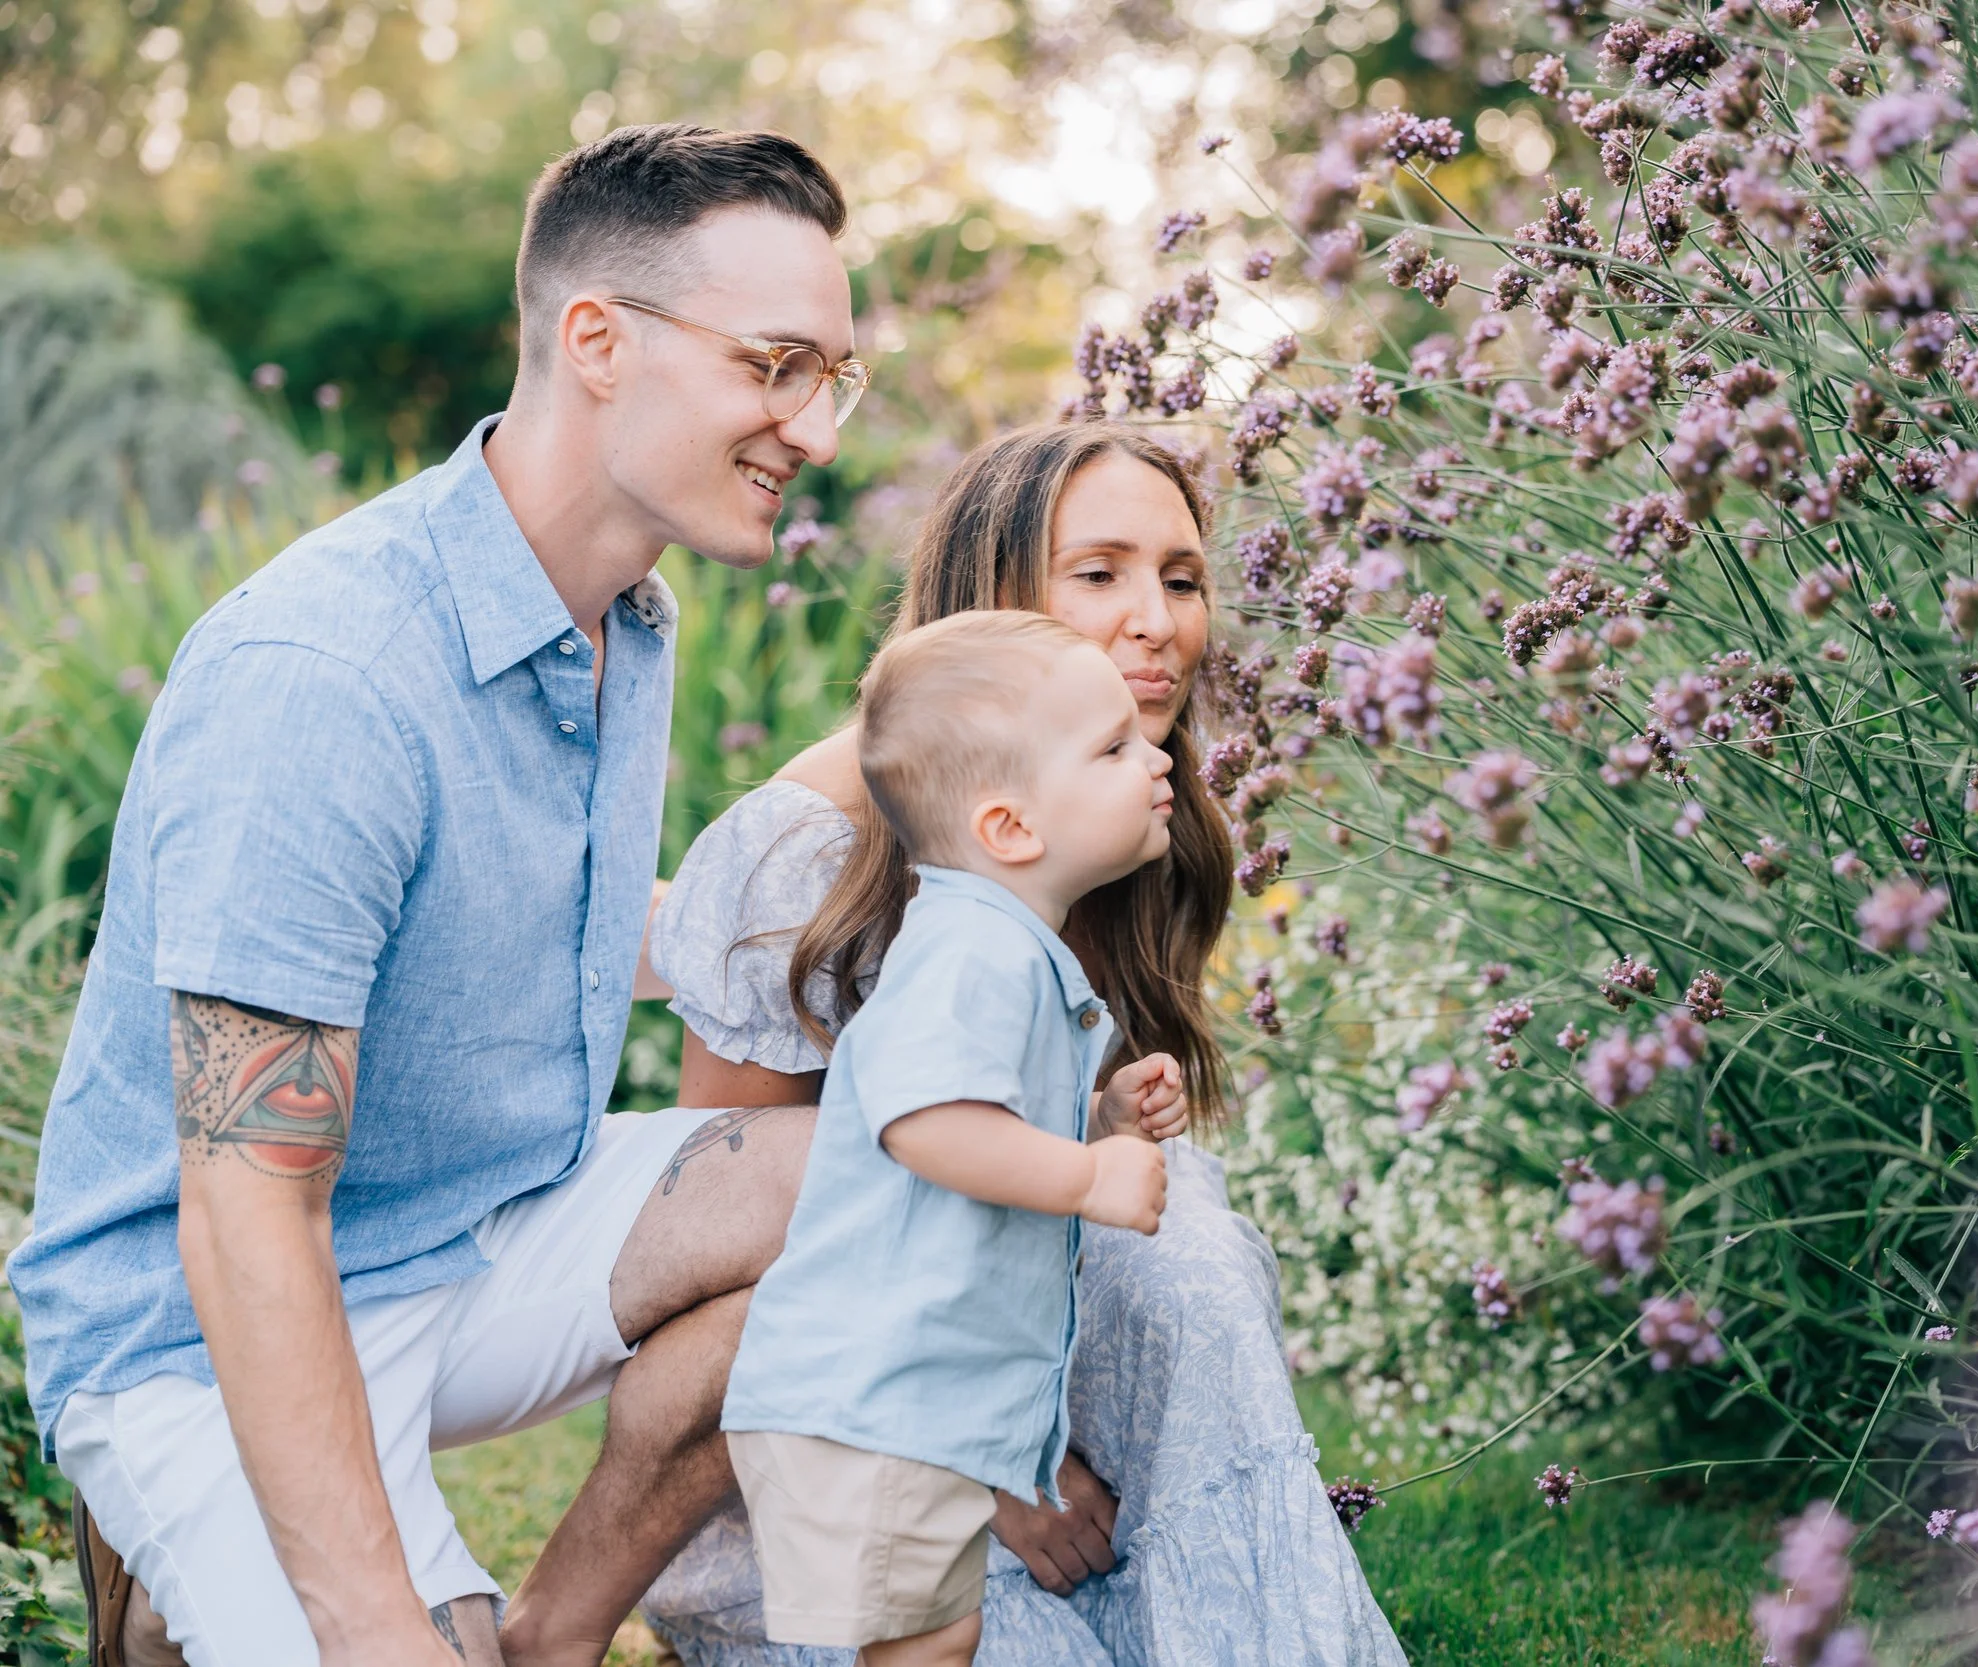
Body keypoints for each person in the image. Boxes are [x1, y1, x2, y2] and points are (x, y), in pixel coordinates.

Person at [7, 123, 863, 1667]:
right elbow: (246, 1208)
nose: (812, 424)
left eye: (831, 376)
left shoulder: (624, 617)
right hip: (211, 1325)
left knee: (884, 1177)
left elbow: (536, 916)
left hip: (477, 1230)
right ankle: (184, 1564)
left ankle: (556, 1622)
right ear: (596, 340)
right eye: (777, 364)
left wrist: (872, 948)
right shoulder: (328, 672)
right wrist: (376, 1617)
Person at [641, 423, 1407, 1666]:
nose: (1154, 618)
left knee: (1185, 1244)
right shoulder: (807, 845)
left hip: (1016, 1347)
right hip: (848, 1437)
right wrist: (1002, 1462)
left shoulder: (1127, 821)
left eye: (1180, 575)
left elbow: (1067, 1186)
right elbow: (723, 1247)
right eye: (1096, 572)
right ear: (987, 600)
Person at [723, 612, 1189, 1665]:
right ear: (1011, 826)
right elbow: (926, 1121)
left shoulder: (999, 943)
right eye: (1113, 748)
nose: (1154, 756)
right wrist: (1089, 1173)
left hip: (898, 1404)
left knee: (937, 1637)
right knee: (921, 1647)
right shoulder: (974, 950)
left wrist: (1103, 1117)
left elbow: (982, 1127)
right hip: (873, 1404)